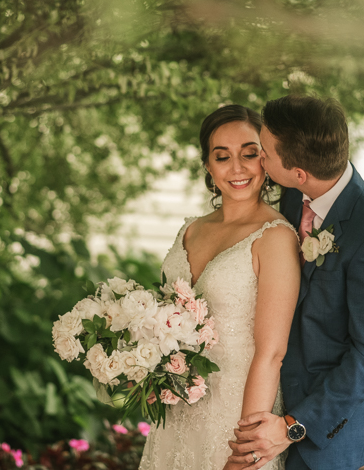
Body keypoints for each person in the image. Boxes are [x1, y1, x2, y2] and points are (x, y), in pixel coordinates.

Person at [228, 95, 364, 470]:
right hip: (268, 397)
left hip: (326, 436)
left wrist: (292, 426)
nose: (259, 159)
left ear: (298, 172)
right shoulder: (296, 193)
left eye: (264, 153)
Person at [138, 105, 301, 470]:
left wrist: (245, 451)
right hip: (178, 408)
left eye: (249, 154)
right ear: (208, 167)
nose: (237, 168)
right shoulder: (191, 230)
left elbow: (271, 353)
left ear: (267, 161)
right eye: (222, 156)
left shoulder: (275, 238)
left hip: (237, 412)